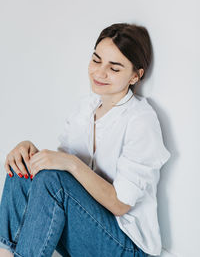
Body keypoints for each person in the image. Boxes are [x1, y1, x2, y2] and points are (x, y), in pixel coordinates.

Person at [0, 23, 171, 257]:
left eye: (114, 68)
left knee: (51, 178)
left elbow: (120, 204)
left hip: (126, 245)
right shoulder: (85, 107)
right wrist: (29, 153)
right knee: (21, 169)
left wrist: (70, 162)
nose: (99, 73)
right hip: (87, 225)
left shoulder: (140, 121)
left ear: (135, 75)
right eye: (96, 60)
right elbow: (57, 177)